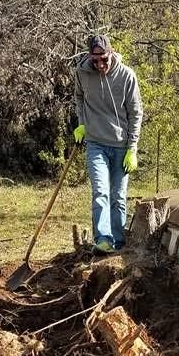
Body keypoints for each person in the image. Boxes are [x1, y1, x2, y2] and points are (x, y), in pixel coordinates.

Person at [73, 34, 143, 254]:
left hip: (121, 145)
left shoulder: (127, 76)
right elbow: (79, 98)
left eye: (104, 59)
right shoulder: (82, 73)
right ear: (89, 57)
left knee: (118, 196)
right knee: (100, 192)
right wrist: (82, 124)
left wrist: (132, 149)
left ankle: (119, 242)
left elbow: (136, 113)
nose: (100, 64)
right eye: (95, 60)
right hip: (96, 143)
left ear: (111, 53)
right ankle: (103, 240)